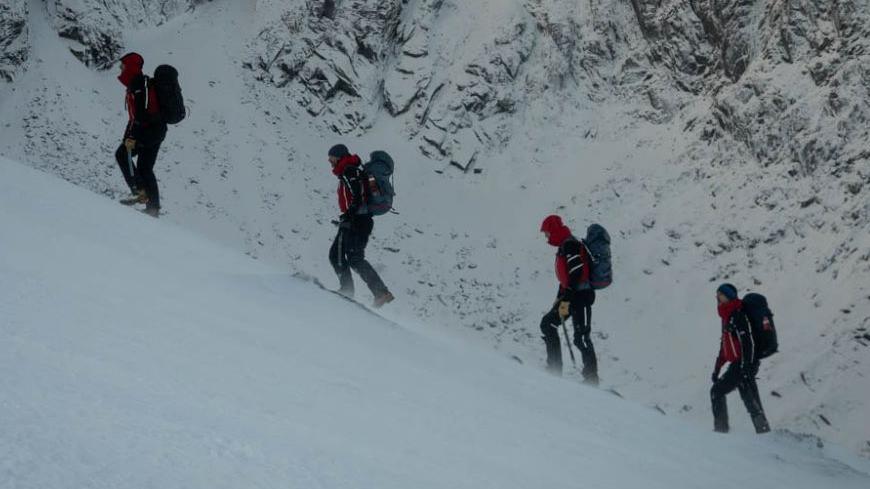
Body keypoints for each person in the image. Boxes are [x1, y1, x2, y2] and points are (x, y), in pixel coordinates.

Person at [327, 144, 394, 308]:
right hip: (360, 220)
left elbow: (358, 196)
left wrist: (349, 216)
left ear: (339, 156)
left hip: (356, 220)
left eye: (332, 158)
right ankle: (380, 293)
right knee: (354, 258)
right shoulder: (352, 171)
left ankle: (347, 290)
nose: (330, 162)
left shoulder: (350, 171)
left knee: (337, 256)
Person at [538, 215, 598, 384]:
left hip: (581, 298)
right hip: (569, 298)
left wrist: (568, 293)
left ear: (554, 229)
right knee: (549, 323)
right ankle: (554, 369)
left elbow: (576, 271)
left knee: (582, 337)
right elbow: (567, 277)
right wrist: (560, 298)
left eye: (547, 233)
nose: (546, 237)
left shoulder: (570, 244)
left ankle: (592, 380)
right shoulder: (565, 245)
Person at [710, 283, 771, 434]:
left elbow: (747, 342)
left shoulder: (737, 315)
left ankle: (721, 431)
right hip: (742, 364)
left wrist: (746, 366)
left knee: (716, 392)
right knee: (750, 398)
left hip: (743, 363)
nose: (718, 297)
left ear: (729, 296)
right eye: (717, 295)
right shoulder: (727, 316)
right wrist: (717, 369)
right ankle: (764, 432)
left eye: (721, 295)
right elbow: (726, 346)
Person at [115, 52, 166, 217]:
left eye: (122, 66)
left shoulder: (137, 85)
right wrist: (128, 137)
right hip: (157, 130)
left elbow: (139, 116)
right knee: (145, 167)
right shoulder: (139, 84)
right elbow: (135, 117)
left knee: (122, 154)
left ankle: (139, 192)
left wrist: (130, 138)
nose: (120, 69)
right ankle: (153, 208)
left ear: (130, 67)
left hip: (149, 130)